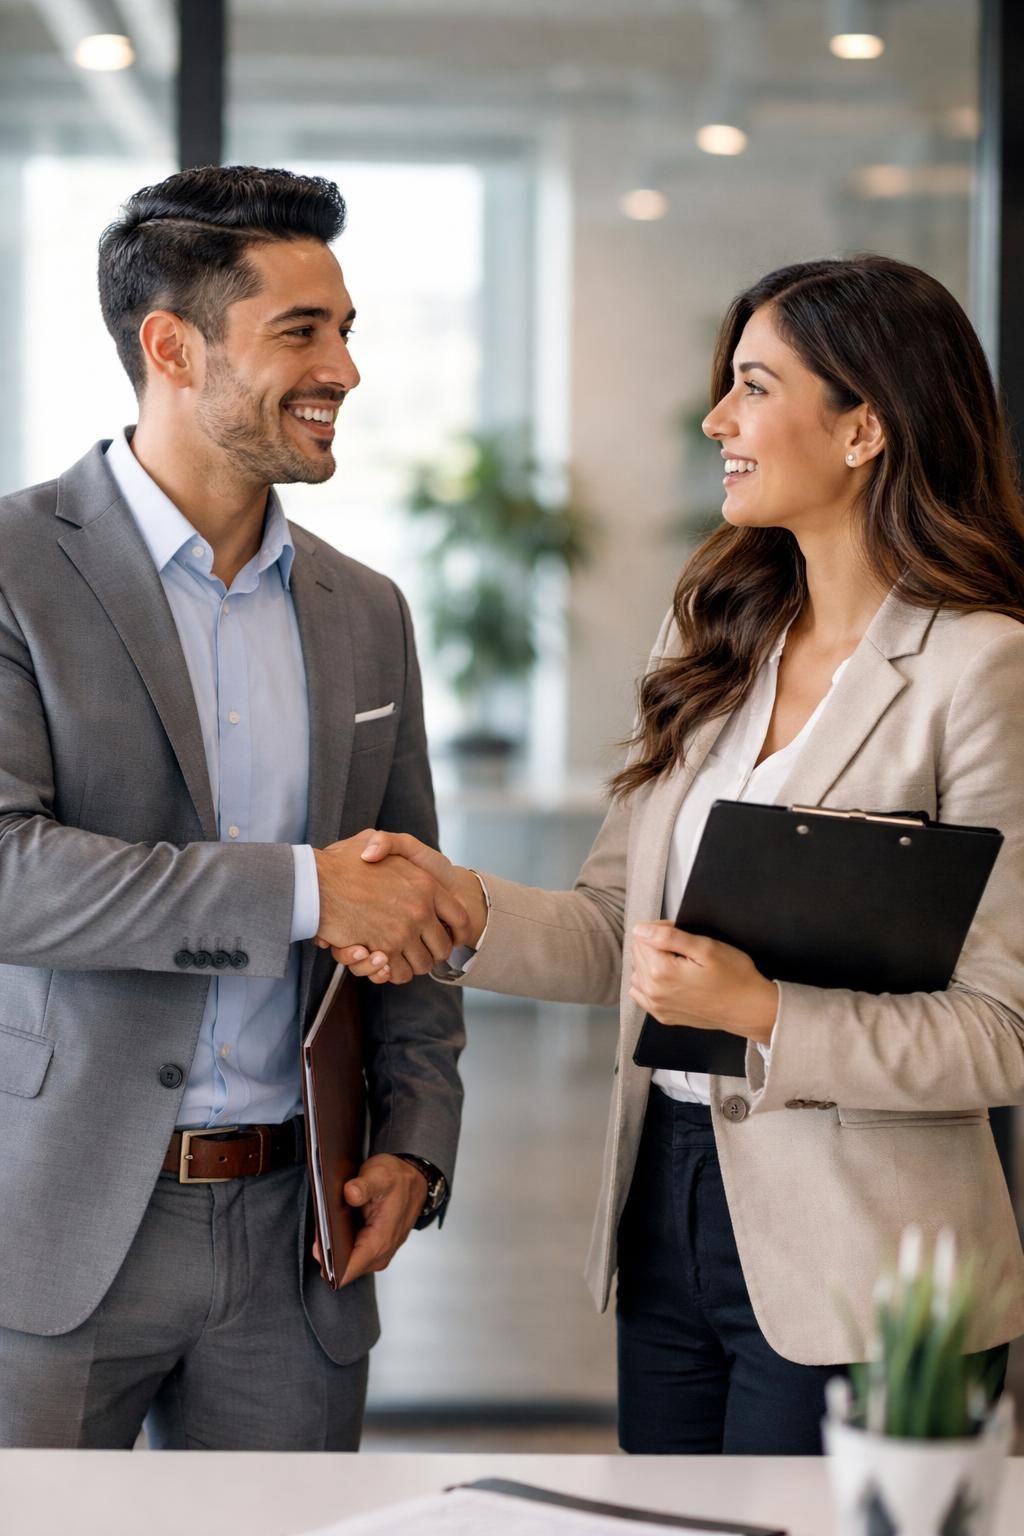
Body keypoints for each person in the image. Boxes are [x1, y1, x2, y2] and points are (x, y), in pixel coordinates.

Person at [334, 255, 1024, 1455]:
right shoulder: (714, 634)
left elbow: (1002, 1030)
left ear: (864, 426)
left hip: (875, 1266)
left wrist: (761, 1010)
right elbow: (620, 932)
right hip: (668, 1199)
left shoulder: (981, 670)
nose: (717, 420)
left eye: (752, 386)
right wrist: (453, 909)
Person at [0, 164, 470, 1451]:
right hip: (58, 1231)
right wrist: (309, 891)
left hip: (296, 1240)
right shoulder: (14, 569)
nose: (345, 372)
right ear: (171, 346)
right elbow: (9, 874)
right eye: (301, 334)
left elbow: (414, 896)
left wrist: (417, 1136)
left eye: (348, 331)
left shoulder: (365, 610)